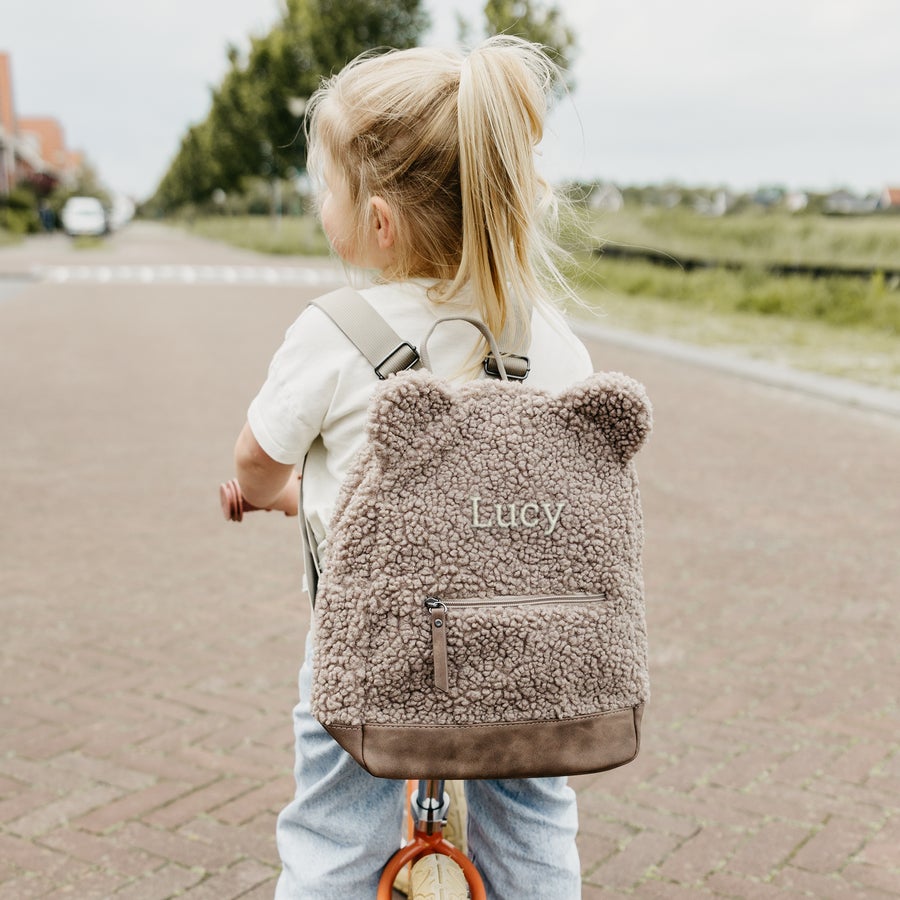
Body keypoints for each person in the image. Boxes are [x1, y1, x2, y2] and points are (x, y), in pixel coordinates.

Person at [233, 36, 591, 899]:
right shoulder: (553, 342)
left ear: (379, 222)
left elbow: (255, 461)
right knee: (534, 818)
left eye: (327, 187)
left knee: (333, 823)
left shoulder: (334, 328)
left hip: (370, 650)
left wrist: (275, 495)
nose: (322, 202)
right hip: (519, 648)